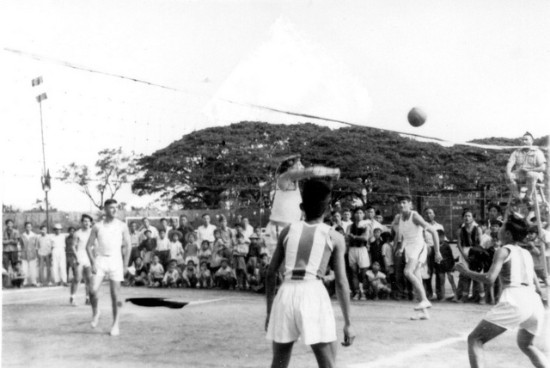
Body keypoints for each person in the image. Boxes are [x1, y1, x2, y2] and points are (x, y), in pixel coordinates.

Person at [266, 178, 354, 368]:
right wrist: (348, 323)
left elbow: (271, 273)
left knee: (279, 362)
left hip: (286, 292)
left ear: (301, 206)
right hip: (313, 292)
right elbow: (341, 283)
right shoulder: (335, 236)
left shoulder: (288, 230)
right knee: (327, 362)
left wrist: (269, 313)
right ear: (329, 208)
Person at [456, 215, 548, 368]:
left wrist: (465, 271)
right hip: (534, 302)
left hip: (516, 298)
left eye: (502, 227)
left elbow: (489, 278)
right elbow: (536, 283)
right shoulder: (526, 253)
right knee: (527, 345)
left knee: (475, 339)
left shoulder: (503, 251)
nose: (499, 229)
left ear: (508, 234)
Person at [265, 154, 340, 257]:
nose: (302, 166)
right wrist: (332, 171)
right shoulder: (285, 177)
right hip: (279, 229)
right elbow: (312, 171)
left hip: (289, 228)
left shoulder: (294, 186)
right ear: (290, 166)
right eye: (299, 164)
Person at [86, 199, 131, 336]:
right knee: (92, 290)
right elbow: (88, 246)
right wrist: (93, 262)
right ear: (105, 210)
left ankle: (115, 324)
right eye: (111, 208)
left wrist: (125, 264)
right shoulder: (97, 226)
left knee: (115, 296)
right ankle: (96, 312)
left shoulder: (122, 225)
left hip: (116, 261)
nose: (114, 210)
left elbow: (128, 246)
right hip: (100, 260)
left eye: (116, 208)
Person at [392, 194, 441, 320]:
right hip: (409, 248)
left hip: (419, 246)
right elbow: (403, 236)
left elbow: (434, 232)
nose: (401, 205)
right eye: (400, 203)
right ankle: (424, 313)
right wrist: (401, 248)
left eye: (404, 202)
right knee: (417, 279)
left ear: (410, 204)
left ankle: (425, 300)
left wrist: (437, 252)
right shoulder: (400, 217)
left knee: (407, 272)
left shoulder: (415, 216)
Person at [506, 131, 546, 204]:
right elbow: (510, 163)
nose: (524, 142)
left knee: (531, 174)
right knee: (508, 176)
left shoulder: (537, 152)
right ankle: (518, 198)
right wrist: (508, 173)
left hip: (535, 175)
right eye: (523, 140)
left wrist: (529, 169)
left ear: (532, 141)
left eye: (526, 140)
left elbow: (543, 167)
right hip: (520, 174)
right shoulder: (516, 152)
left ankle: (528, 197)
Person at [70, 214, 94, 305]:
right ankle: (73, 297)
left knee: (89, 279)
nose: (86, 223)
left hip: (89, 257)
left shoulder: (93, 232)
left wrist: (94, 259)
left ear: (91, 223)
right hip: (80, 256)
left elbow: (95, 246)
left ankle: (88, 298)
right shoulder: (77, 233)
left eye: (88, 221)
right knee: (77, 278)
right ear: (81, 222)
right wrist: (77, 258)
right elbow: (73, 246)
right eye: (84, 221)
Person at [347, 207, 371, 300]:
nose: (359, 215)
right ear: (354, 214)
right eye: (357, 213)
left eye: (361, 213)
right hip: (352, 249)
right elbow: (348, 236)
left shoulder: (366, 225)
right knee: (354, 272)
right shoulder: (350, 226)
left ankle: (363, 292)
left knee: (364, 272)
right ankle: (356, 292)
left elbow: (365, 238)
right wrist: (356, 237)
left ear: (363, 214)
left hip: (362, 249)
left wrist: (355, 237)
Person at [423, 208, 445, 300]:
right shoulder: (422, 226)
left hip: (438, 251)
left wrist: (439, 251)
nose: (428, 215)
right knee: (428, 272)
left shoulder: (439, 226)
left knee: (440, 273)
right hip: (427, 251)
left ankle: (439, 294)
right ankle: (428, 293)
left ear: (434, 214)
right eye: (427, 213)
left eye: (430, 213)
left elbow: (443, 239)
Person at [19, 222, 38, 287]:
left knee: (33, 268)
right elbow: (21, 245)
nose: (28, 228)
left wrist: (35, 254)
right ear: (25, 227)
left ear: (31, 227)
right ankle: (24, 282)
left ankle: (34, 282)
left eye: (29, 227)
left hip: (32, 254)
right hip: (24, 254)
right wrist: (22, 252)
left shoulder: (35, 235)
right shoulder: (22, 236)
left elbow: (36, 245)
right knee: (24, 269)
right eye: (27, 227)